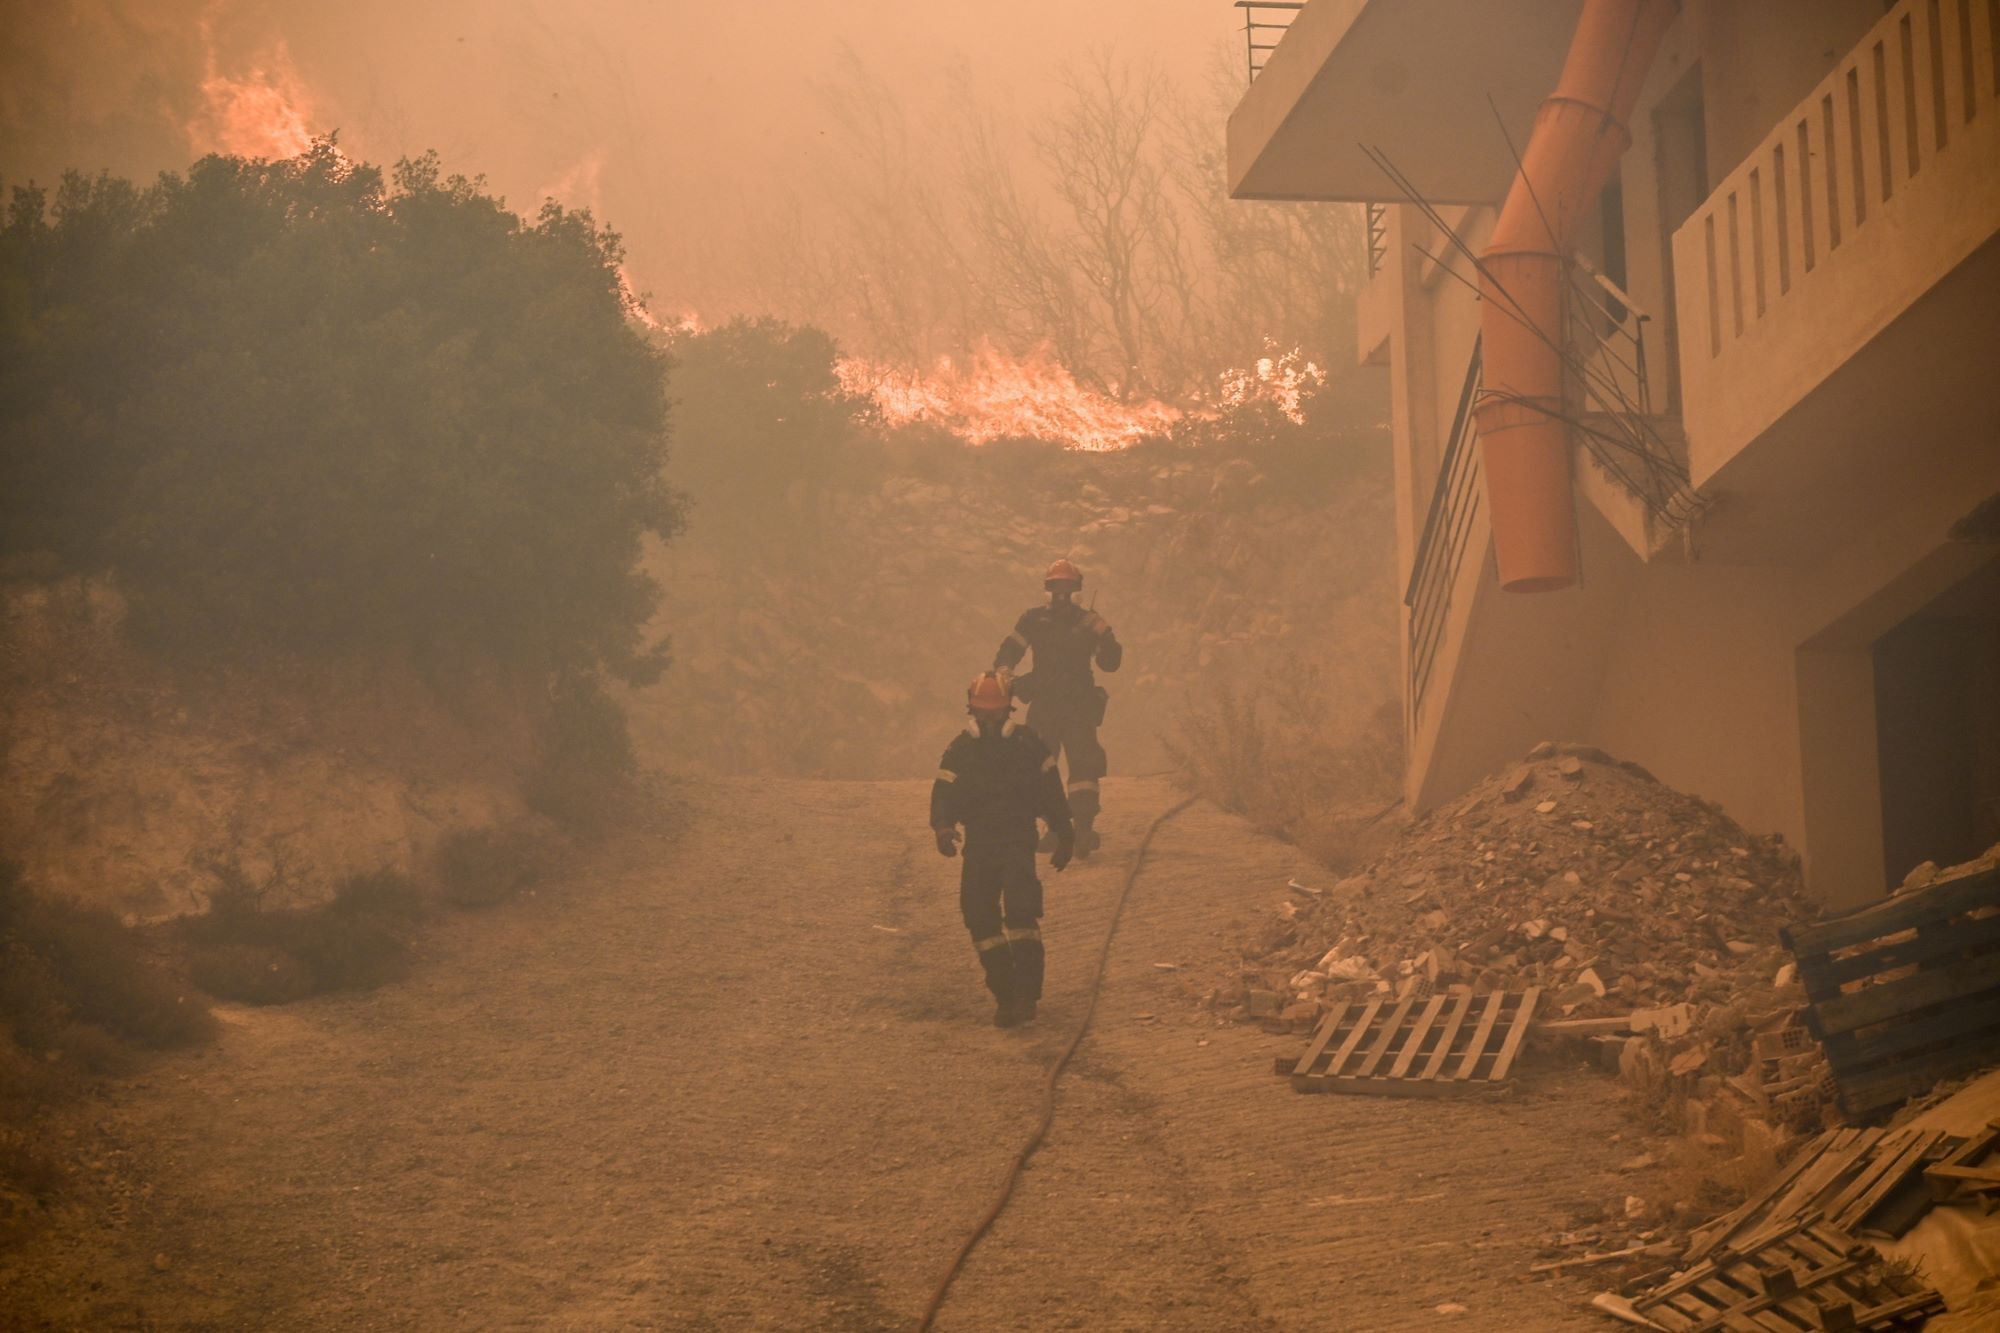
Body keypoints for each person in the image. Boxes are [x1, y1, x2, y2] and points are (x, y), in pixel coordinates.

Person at [930, 672, 1073, 1028]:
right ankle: (1005, 995)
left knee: (1022, 914)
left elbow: (1052, 791)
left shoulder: (1028, 746)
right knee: (979, 917)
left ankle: (1027, 995)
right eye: (982, 713)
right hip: (979, 844)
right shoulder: (959, 750)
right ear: (971, 711)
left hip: (1016, 841)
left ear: (1010, 710)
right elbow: (943, 793)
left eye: (995, 714)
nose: (989, 721)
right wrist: (943, 828)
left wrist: (1064, 833)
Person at [992, 558, 1122, 857]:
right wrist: (1004, 672)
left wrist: (1105, 635)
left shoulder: (1089, 622)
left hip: (1076, 705)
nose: (1062, 592)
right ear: (1047, 589)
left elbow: (1110, 663)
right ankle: (1054, 829)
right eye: (1056, 586)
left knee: (1083, 766)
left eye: (1067, 586)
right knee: (1040, 768)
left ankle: (1084, 830)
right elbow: (1009, 649)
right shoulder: (1033, 619)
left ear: (1077, 589)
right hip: (1046, 704)